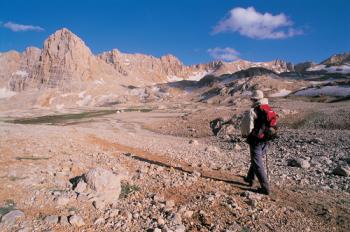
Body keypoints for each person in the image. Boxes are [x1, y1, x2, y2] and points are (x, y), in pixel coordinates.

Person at [241, 90, 272, 195]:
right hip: (266, 139)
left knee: (257, 162)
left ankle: (265, 187)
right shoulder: (267, 108)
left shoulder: (255, 110)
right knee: (256, 160)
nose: (251, 100)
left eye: (252, 99)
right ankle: (250, 178)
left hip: (257, 140)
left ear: (254, 99)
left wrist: (246, 135)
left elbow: (247, 126)